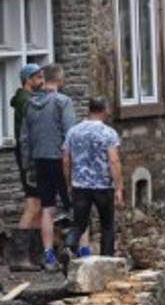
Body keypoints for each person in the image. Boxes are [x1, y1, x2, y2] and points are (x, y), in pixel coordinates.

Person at [20, 63, 75, 271]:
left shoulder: (30, 104)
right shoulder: (63, 102)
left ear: (44, 79)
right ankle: (80, 252)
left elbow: (25, 138)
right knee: (74, 206)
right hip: (61, 160)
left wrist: (27, 165)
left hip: (40, 160)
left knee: (47, 208)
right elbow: (70, 135)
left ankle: (49, 255)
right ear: (59, 80)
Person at [62, 96, 123, 258]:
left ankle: (68, 247)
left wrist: (68, 183)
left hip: (80, 185)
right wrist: (118, 187)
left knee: (79, 224)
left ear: (89, 109)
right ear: (104, 110)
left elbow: (66, 159)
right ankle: (107, 260)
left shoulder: (73, 131)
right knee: (107, 226)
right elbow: (114, 161)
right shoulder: (108, 133)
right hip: (103, 186)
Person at [8, 63, 44, 269]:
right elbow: (28, 134)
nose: (42, 81)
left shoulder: (29, 99)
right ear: (28, 79)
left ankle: (35, 254)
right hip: (28, 160)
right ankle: (19, 256)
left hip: (32, 158)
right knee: (33, 205)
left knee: (39, 206)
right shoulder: (26, 101)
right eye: (38, 77)